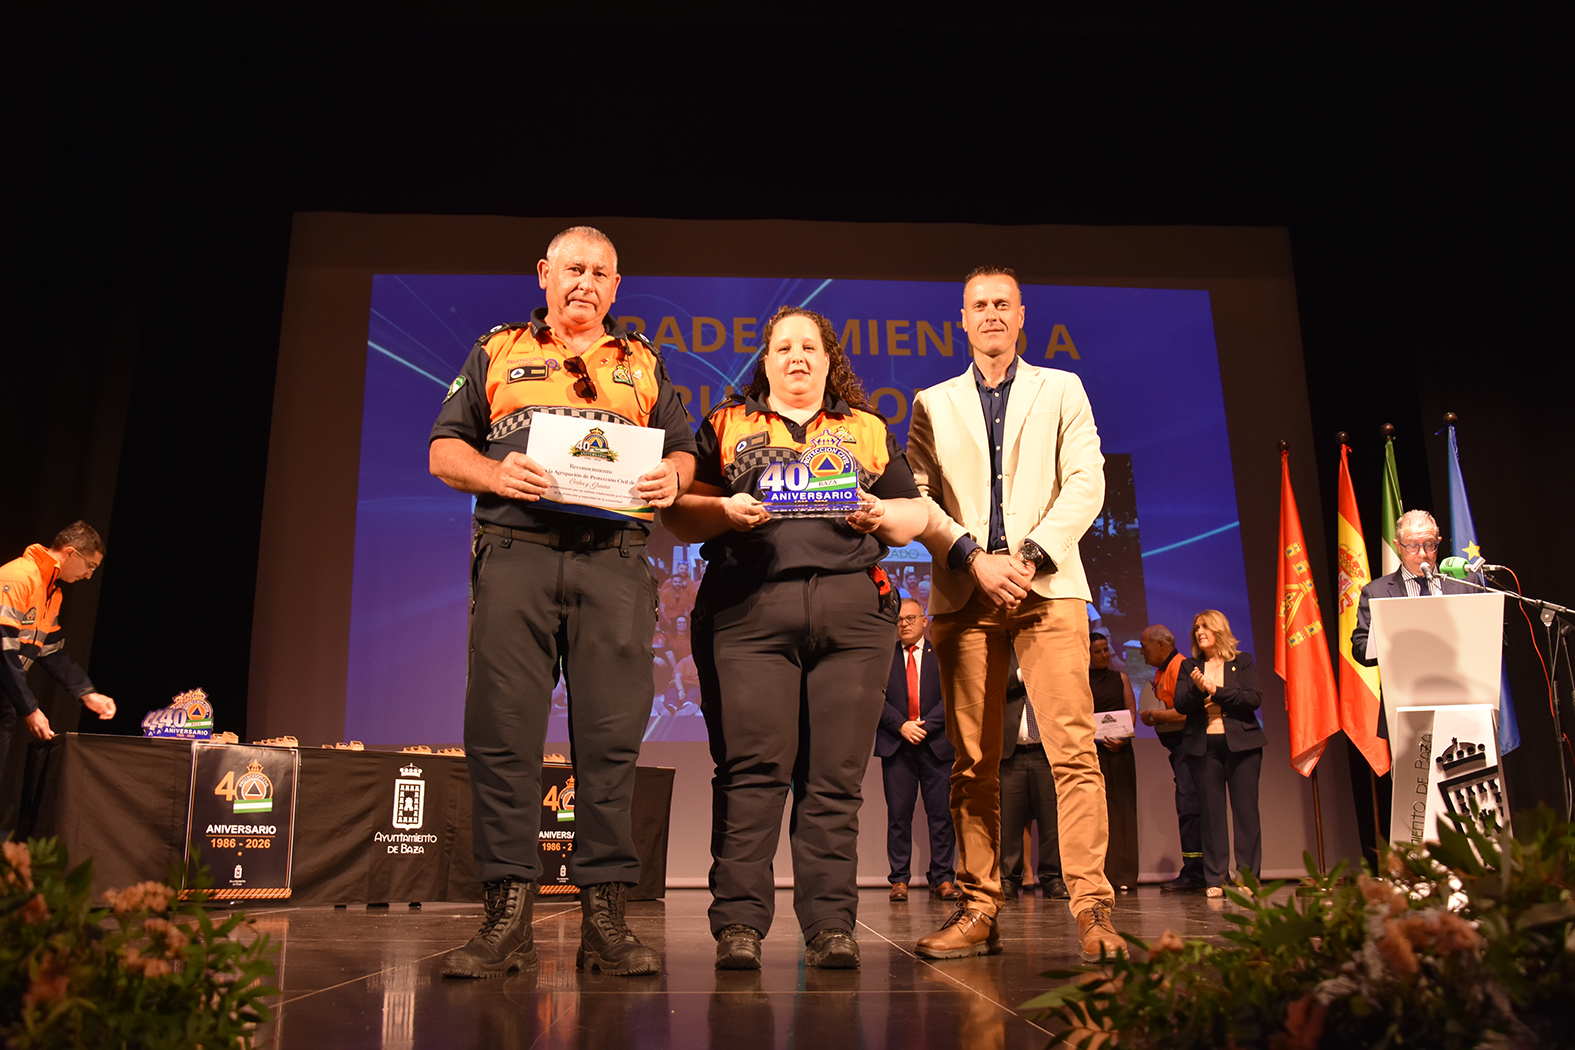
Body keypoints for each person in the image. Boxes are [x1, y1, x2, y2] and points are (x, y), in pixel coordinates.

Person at [428, 226, 697, 978]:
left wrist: (673, 477)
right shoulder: (497, 350)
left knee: (609, 742)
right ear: (545, 274)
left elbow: (682, 449)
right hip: (516, 554)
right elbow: (443, 449)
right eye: (573, 268)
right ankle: (506, 919)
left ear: (616, 286)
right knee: (503, 735)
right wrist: (493, 474)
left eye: (600, 273)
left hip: (614, 562)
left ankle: (604, 921)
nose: (585, 282)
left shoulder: (642, 361)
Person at [663, 305, 927, 971]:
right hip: (749, 612)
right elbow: (680, 516)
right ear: (767, 361)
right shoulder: (727, 423)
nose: (797, 357)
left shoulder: (865, 428)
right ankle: (739, 924)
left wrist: (880, 512)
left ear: (827, 359)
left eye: (809, 346)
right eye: (783, 347)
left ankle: (831, 925)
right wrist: (723, 510)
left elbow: (912, 515)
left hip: (852, 617)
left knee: (834, 778)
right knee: (752, 771)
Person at [906, 265, 1123, 961]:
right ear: (962, 319)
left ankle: (1092, 910)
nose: (992, 314)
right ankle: (978, 908)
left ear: (1021, 314)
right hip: (965, 593)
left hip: (1046, 589)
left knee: (1073, 753)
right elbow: (917, 496)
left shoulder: (1061, 388)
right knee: (971, 762)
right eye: (979, 305)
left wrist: (1027, 556)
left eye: (1003, 303)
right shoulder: (931, 402)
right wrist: (973, 557)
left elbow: (1086, 480)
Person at [0, 522, 116, 778]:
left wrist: (87, 693)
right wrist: (30, 709)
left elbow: (51, 651)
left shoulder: (51, 593)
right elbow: (3, 649)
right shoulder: (18, 578)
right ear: (71, 553)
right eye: (90, 566)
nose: (89, 576)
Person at [1171, 610, 1263, 898]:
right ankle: (1216, 879)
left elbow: (1253, 698)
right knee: (1211, 815)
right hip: (1203, 747)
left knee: (1246, 813)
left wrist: (1216, 691)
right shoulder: (1189, 666)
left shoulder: (1242, 661)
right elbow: (1181, 704)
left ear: (1219, 630)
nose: (1199, 631)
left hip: (1243, 747)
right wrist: (1200, 691)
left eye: (1205, 626)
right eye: (1196, 627)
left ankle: (1247, 878)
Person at [875, 598, 957, 904]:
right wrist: (901, 725)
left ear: (925, 621)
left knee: (941, 816)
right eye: (899, 620)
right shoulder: (884, 657)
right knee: (899, 817)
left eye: (910, 618)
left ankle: (943, 877)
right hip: (897, 746)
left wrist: (924, 726)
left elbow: (952, 695)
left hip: (936, 746)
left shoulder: (942, 655)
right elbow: (875, 696)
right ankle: (899, 880)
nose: (904, 624)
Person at [1350, 509, 1479, 671]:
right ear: (1398, 546)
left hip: (1462, 679)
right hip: (1403, 682)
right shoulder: (1376, 592)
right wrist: (1395, 645)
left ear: (1438, 542)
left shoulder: (1467, 583)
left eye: (1430, 545)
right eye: (1412, 546)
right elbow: (1360, 648)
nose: (1422, 554)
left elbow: (1498, 634)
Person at [1137, 624, 1205, 891]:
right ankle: (1195, 871)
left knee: (1190, 810)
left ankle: (1196, 873)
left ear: (1160, 645)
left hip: (1189, 749)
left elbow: (1188, 712)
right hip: (1179, 751)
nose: (1141, 651)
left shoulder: (1181, 667)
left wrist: (1153, 715)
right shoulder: (1163, 671)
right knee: (1187, 809)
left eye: (1144, 646)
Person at [999, 650, 1068, 902]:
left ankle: (1052, 878)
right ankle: (1008, 879)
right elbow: (993, 685)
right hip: (1012, 753)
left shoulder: (1049, 652)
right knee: (1010, 822)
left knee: (1051, 821)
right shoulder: (1003, 653)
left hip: (1045, 754)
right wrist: (1022, 674)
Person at [1089, 633, 1138, 892]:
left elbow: (1131, 712)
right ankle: (1103, 874)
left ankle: (1126, 875)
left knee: (1124, 811)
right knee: (1098, 814)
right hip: (1094, 754)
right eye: (1098, 651)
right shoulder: (1082, 681)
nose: (1104, 655)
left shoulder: (1121, 678)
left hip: (1121, 752)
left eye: (1106, 649)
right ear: (1088, 654)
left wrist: (1122, 739)